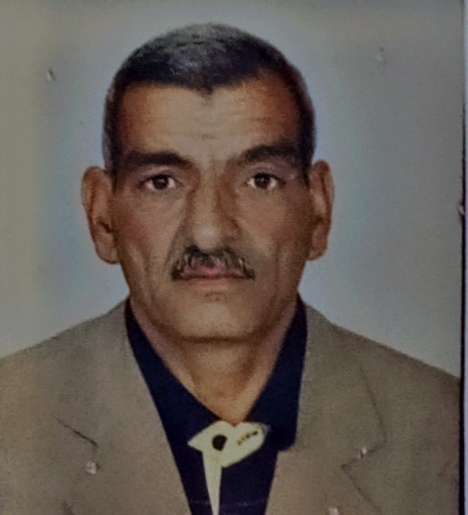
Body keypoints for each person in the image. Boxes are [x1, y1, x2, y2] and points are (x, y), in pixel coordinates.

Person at [0, 23, 459, 515]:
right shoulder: (11, 423)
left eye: (260, 180)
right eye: (162, 182)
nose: (210, 233)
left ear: (319, 208)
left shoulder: (447, 429)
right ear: (102, 216)